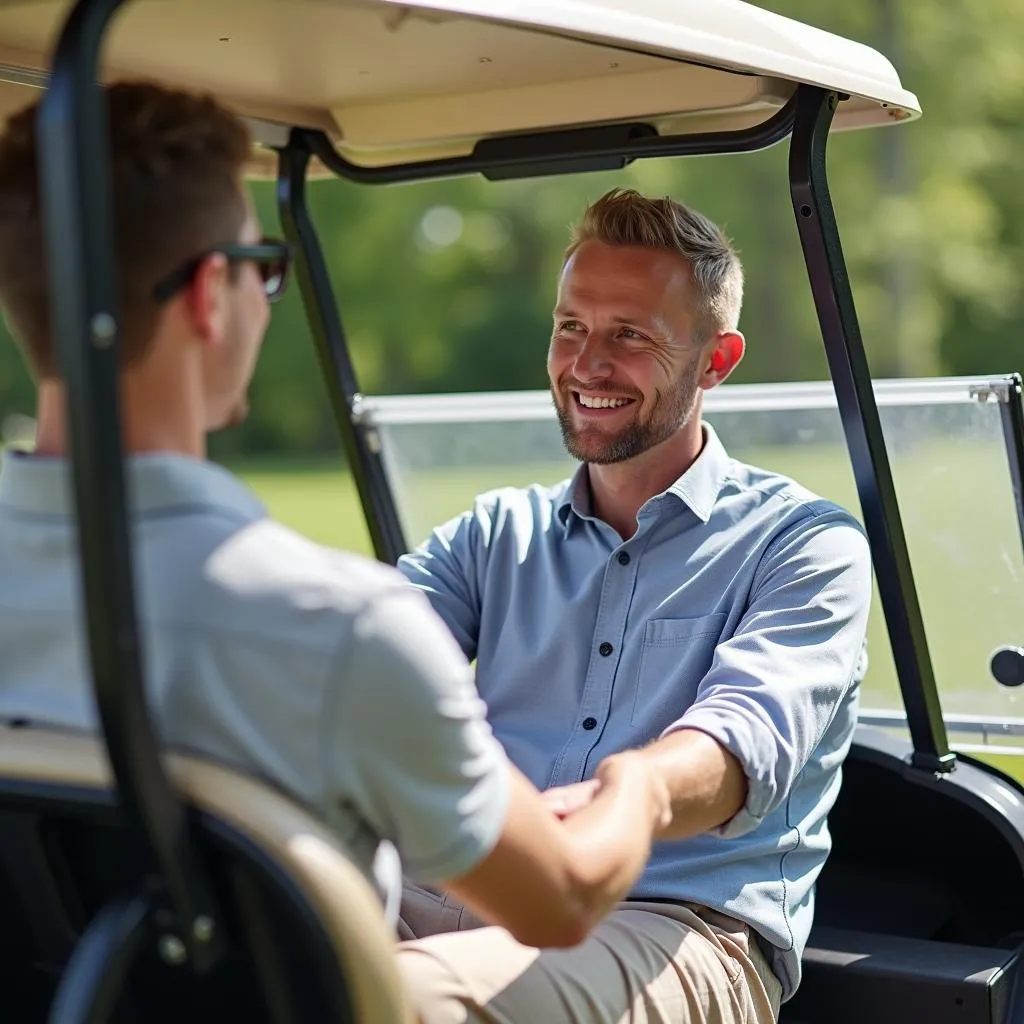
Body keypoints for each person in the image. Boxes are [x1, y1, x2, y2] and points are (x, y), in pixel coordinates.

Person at [0, 83, 673, 954]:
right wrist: (642, 791)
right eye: (262, 266)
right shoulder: (340, 632)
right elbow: (565, 899)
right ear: (210, 293)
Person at [394, 188, 874, 1023]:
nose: (586, 365)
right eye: (571, 327)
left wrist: (631, 796)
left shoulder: (804, 546)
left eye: (630, 337)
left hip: (680, 928)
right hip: (471, 885)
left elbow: (740, 739)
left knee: (399, 995)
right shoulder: (493, 533)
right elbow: (367, 649)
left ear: (717, 362)